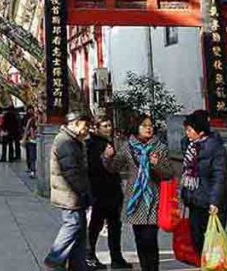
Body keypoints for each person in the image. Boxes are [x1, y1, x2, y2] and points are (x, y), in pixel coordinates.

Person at [103, 114, 173, 271]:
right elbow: (114, 167)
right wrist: (107, 158)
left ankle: (152, 268)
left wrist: (156, 165)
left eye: (150, 125)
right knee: (140, 239)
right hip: (135, 199)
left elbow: (168, 174)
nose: (149, 128)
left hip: (153, 198)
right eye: (144, 125)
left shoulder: (160, 148)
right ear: (137, 128)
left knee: (150, 239)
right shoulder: (128, 147)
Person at [44, 110, 91, 271]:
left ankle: (78, 264)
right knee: (73, 225)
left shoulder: (72, 139)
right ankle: (54, 259)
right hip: (70, 194)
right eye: (86, 125)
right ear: (76, 123)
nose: (87, 129)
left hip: (73, 193)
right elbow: (71, 172)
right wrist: (83, 191)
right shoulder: (65, 142)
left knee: (80, 229)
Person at [86, 113, 132, 269]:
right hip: (100, 191)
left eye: (110, 125)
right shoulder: (93, 145)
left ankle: (116, 258)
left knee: (114, 226)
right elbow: (94, 168)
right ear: (96, 128)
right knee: (96, 225)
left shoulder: (108, 142)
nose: (109, 129)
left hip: (112, 190)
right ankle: (90, 255)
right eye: (105, 126)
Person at [180, 109, 226, 256]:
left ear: (200, 132)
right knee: (197, 240)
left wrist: (215, 201)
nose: (187, 133)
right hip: (195, 201)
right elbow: (187, 173)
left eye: (189, 130)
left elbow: (220, 176)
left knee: (212, 244)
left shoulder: (215, 148)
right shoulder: (190, 146)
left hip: (210, 203)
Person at [22, 106, 38, 178]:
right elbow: (26, 131)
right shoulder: (31, 120)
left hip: (36, 140)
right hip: (31, 140)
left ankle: (33, 170)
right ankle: (32, 170)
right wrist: (25, 138)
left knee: (33, 156)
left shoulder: (41, 119)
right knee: (32, 156)